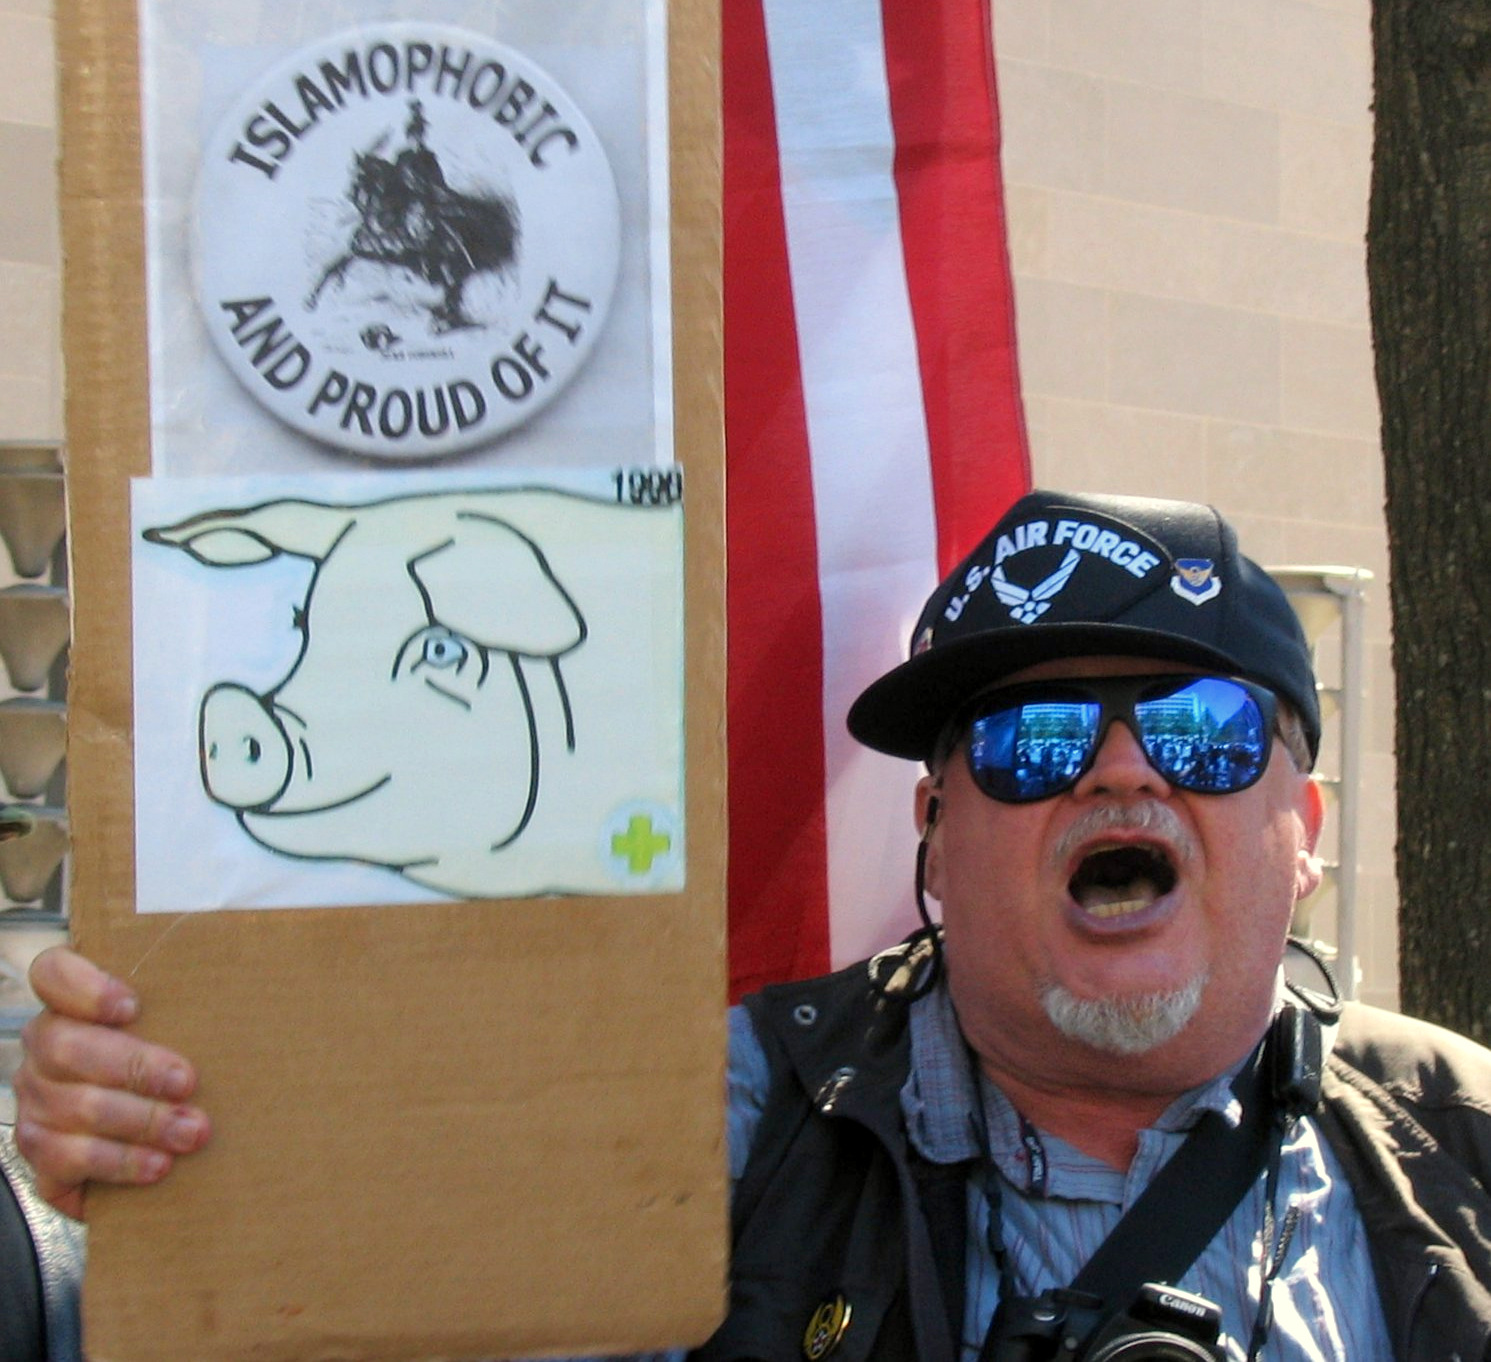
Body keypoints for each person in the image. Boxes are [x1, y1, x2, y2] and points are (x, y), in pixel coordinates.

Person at [13, 488, 1491, 1361]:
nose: (1120, 766)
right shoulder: (699, 1126)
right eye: (1029, 741)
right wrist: (169, 1160)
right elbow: (337, 1310)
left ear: (1302, 833)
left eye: (1205, 730)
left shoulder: (1467, 1152)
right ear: (935, 836)